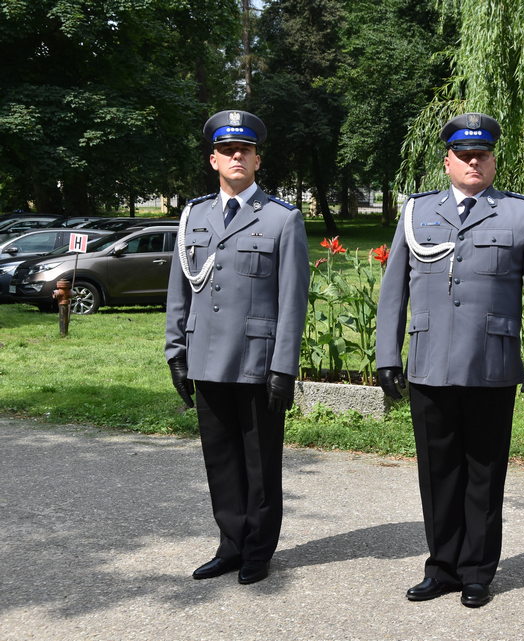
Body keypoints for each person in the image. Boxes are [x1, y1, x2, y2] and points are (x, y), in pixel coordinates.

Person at [375, 112, 524, 608]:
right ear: (448, 161)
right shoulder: (417, 212)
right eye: (464, 155)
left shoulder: (521, 214)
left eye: (482, 154)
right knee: (437, 472)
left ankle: (477, 570)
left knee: (484, 469)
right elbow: (394, 289)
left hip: (491, 364)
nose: (474, 162)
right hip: (430, 360)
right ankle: (441, 566)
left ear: (493, 160)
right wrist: (386, 354)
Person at [165, 110, 309, 585]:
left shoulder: (281, 218)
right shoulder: (194, 216)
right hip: (205, 356)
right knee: (220, 459)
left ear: (256, 159)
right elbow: (179, 290)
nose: (236, 157)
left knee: (259, 461)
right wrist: (175, 352)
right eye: (227, 150)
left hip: (257, 360)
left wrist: (283, 367)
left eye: (244, 150)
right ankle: (229, 544)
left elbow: (293, 299)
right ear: (214, 159)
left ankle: (257, 549)